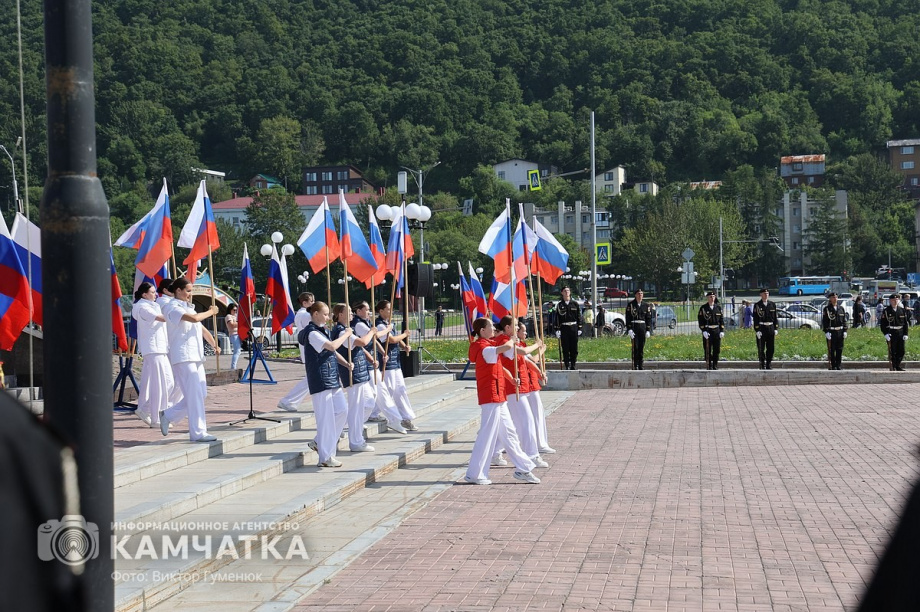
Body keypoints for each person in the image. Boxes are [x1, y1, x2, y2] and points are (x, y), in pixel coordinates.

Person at [463, 317, 540, 486]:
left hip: (499, 396)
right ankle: (475, 473)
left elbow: (500, 366)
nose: (493, 328)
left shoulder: (489, 347)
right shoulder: (484, 348)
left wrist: (511, 378)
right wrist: (512, 340)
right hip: (490, 397)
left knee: (510, 433)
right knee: (487, 434)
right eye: (490, 326)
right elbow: (504, 348)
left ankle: (523, 468)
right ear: (482, 331)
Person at [160, 278, 221, 442]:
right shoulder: (171, 307)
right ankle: (198, 432)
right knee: (194, 394)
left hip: (196, 355)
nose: (190, 294)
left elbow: (200, 328)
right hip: (183, 356)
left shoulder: (189, 308)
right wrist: (211, 311)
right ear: (178, 290)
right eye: (187, 290)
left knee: (200, 393)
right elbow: (194, 319)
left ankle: (169, 415)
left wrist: (214, 344)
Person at [300, 301, 353, 467]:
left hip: (331, 377)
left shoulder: (322, 331)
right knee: (325, 418)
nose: (328, 317)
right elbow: (331, 346)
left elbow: (333, 352)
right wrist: (346, 334)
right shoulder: (312, 333)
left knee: (342, 411)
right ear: (315, 314)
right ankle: (325, 457)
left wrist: (346, 363)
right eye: (325, 314)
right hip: (320, 379)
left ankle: (319, 442)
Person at [494, 316, 548, 469]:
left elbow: (526, 361)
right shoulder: (505, 341)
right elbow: (523, 352)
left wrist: (539, 372)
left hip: (520, 385)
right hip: (513, 387)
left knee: (511, 425)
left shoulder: (511, 341)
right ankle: (532, 455)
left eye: (518, 325)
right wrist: (537, 345)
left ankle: (494, 452)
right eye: (515, 325)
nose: (517, 328)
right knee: (526, 420)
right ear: (507, 328)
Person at [331, 303, 380, 453]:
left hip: (360, 371)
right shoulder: (341, 332)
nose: (352, 314)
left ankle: (344, 427)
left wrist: (371, 359)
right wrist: (372, 331)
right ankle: (356, 440)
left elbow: (360, 348)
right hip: (352, 373)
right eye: (349, 311)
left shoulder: (347, 331)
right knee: (357, 406)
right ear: (340, 314)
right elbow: (362, 342)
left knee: (369, 401)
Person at [131, 282, 172, 427]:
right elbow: (160, 318)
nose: (156, 294)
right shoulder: (142, 307)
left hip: (160, 348)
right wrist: (179, 315)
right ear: (144, 294)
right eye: (153, 292)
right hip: (153, 349)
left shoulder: (153, 305)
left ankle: (145, 409)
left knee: (168, 382)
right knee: (160, 383)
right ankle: (156, 418)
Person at [375, 300, 418, 432]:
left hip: (395, 361)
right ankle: (374, 412)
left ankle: (406, 417)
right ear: (381, 311)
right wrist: (405, 335)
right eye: (388, 309)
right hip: (386, 363)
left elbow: (394, 339)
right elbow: (390, 339)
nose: (391, 311)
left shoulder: (389, 324)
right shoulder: (379, 325)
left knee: (400, 389)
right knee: (388, 390)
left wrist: (404, 346)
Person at [277, 292, 315, 412]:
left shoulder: (301, 314)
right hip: (311, 348)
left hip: (309, 347)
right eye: (311, 301)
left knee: (311, 379)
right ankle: (288, 400)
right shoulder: (306, 315)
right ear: (304, 303)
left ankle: (290, 401)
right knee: (311, 379)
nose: (313, 303)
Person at [555, 287, 582, 370]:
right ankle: (567, 364)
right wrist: (557, 329)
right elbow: (557, 318)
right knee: (565, 347)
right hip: (564, 328)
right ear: (562, 293)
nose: (567, 292)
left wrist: (579, 327)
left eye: (568, 291)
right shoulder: (560, 305)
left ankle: (573, 364)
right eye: (565, 291)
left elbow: (579, 316)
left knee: (574, 348)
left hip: (573, 327)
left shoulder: (575, 304)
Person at [625, 288, 653, 370]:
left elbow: (648, 318)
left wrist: (648, 330)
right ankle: (635, 365)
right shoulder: (631, 305)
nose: (640, 295)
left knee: (641, 347)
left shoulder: (646, 305)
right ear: (635, 295)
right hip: (634, 327)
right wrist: (629, 329)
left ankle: (641, 364)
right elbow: (628, 317)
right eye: (638, 294)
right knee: (635, 347)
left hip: (642, 327)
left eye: (641, 293)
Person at [881, 293, 909, 371]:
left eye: (897, 299)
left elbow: (905, 323)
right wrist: (885, 333)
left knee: (901, 350)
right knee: (892, 351)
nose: (895, 301)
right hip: (891, 332)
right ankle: (893, 366)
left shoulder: (902, 310)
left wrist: (906, 333)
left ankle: (897, 365)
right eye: (893, 300)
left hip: (900, 332)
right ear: (890, 301)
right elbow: (883, 324)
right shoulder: (886, 311)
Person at [752, 288, 779, 370]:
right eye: (764, 293)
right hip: (762, 328)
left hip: (770, 327)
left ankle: (769, 363)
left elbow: (775, 317)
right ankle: (762, 364)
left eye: (767, 293)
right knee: (761, 348)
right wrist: (757, 330)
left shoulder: (772, 304)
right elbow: (755, 318)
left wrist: (776, 328)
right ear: (761, 295)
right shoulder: (757, 305)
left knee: (771, 348)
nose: (766, 294)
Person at [697, 291, 725, 370]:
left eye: (713, 297)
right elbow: (700, 320)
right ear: (707, 298)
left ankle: (715, 365)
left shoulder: (718, 308)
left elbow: (721, 320)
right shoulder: (703, 308)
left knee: (717, 349)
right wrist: (703, 330)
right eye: (710, 297)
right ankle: (709, 366)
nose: (712, 298)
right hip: (708, 330)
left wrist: (722, 330)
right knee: (707, 350)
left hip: (716, 330)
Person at [822, 292, 848, 370]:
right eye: (833, 297)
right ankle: (833, 365)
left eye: (836, 297)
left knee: (839, 349)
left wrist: (845, 330)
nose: (835, 299)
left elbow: (844, 320)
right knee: (832, 349)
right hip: (831, 331)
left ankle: (838, 365)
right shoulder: (827, 309)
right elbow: (825, 321)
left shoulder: (841, 308)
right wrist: (826, 331)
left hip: (840, 331)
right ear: (830, 299)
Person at [225, 303, 241, 371]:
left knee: (238, 351)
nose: (235, 312)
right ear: (230, 310)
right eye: (234, 310)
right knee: (237, 351)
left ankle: (234, 366)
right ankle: (233, 367)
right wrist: (240, 323)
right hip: (234, 334)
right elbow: (231, 325)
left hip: (238, 334)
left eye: (236, 310)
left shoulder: (236, 316)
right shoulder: (229, 316)